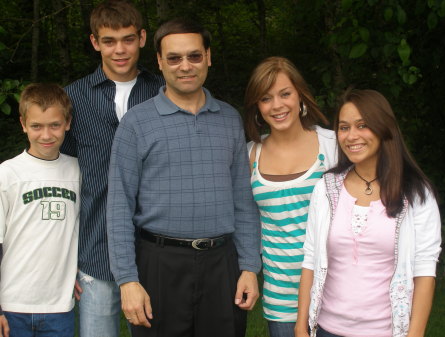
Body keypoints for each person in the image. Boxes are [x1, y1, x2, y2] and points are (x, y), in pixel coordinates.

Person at [107, 18, 261, 337]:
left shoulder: (230, 119)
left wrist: (249, 267)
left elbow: (244, 202)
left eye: (194, 56)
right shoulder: (136, 123)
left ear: (208, 57)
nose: (185, 66)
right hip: (159, 265)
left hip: (222, 266)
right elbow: (119, 207)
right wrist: (128, 280)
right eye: (174, 58)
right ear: (160, 62)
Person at [294, 89, 442, 337]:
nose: (351, 136)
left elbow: (425, 271)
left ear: (384, 128)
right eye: (343, 127)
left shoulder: (416, 193)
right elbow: (310, 258)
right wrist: (301, 326)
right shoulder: (326, 188)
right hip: (326, 329)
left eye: (362, 125)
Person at [60, 1, 164, 336]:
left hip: (156, 250)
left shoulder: (164, 91)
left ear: (143, 38)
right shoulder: (73, 98)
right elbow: (64, 178)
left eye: (128, 39)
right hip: (96, 250)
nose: (119, 50)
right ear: (94, 42)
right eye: (109, 41)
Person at [244, 56, 337, 337]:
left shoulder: (332, 146)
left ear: (300, 96)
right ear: (258, 107)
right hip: (282, 299)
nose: (277, 105)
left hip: (336, 293)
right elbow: (245, 222)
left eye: (285, 94)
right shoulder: (249, 155)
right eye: (266, 98)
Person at [0, 83, 80, 337]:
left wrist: (74, 270)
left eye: (54, 125)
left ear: (67, 122)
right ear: (23, 124)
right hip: (13, 304)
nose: (46, 135)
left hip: (59, 306)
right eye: (37, 126)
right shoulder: (8, 174)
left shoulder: (78, 171)